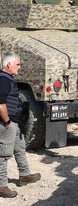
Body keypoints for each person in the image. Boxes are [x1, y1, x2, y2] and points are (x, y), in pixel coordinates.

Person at [0, 53, 41, 198]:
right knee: (3, 154)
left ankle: (24, 175)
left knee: (19, 147)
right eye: (17, 64)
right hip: (6, 123)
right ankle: (1, 185)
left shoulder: (8, 79)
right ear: (8, 65)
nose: (19, 67)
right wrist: (7, 123)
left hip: (14, 122)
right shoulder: (3, 80)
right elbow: (1, 105)